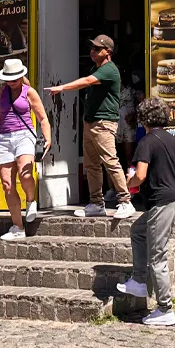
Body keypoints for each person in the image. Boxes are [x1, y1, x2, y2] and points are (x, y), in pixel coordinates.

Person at [116, 98, 175, 327]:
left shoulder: (146, 142)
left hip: (162, 202)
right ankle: (138, 279)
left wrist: (128, 183)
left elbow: (141, 175)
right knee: (138, 231)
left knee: (157, 255)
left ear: (143, 119)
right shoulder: (172, 141)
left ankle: (165, 308)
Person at [46, 34, 135, 220]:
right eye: (92, 48)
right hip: (91, 122)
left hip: (103, 123)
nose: (92, 51)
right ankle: (96, 203)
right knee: (92, 165)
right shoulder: (97, 68)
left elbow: (86, 81)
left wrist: (62, 88)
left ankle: (125, 201)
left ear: (108, 52)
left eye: (97, 49)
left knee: (110, 161)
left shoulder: (109, 70)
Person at [0, 59, 52, 241]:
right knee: (7, 184)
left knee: (25, 174)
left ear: (21, 75)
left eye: (15, 77)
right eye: (9, 78)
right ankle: (18, 226)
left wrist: (47, 138)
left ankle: (30, 200)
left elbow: (42, 118)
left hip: (24, 135)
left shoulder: (29, 92)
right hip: (4, 137)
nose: (12, 81)